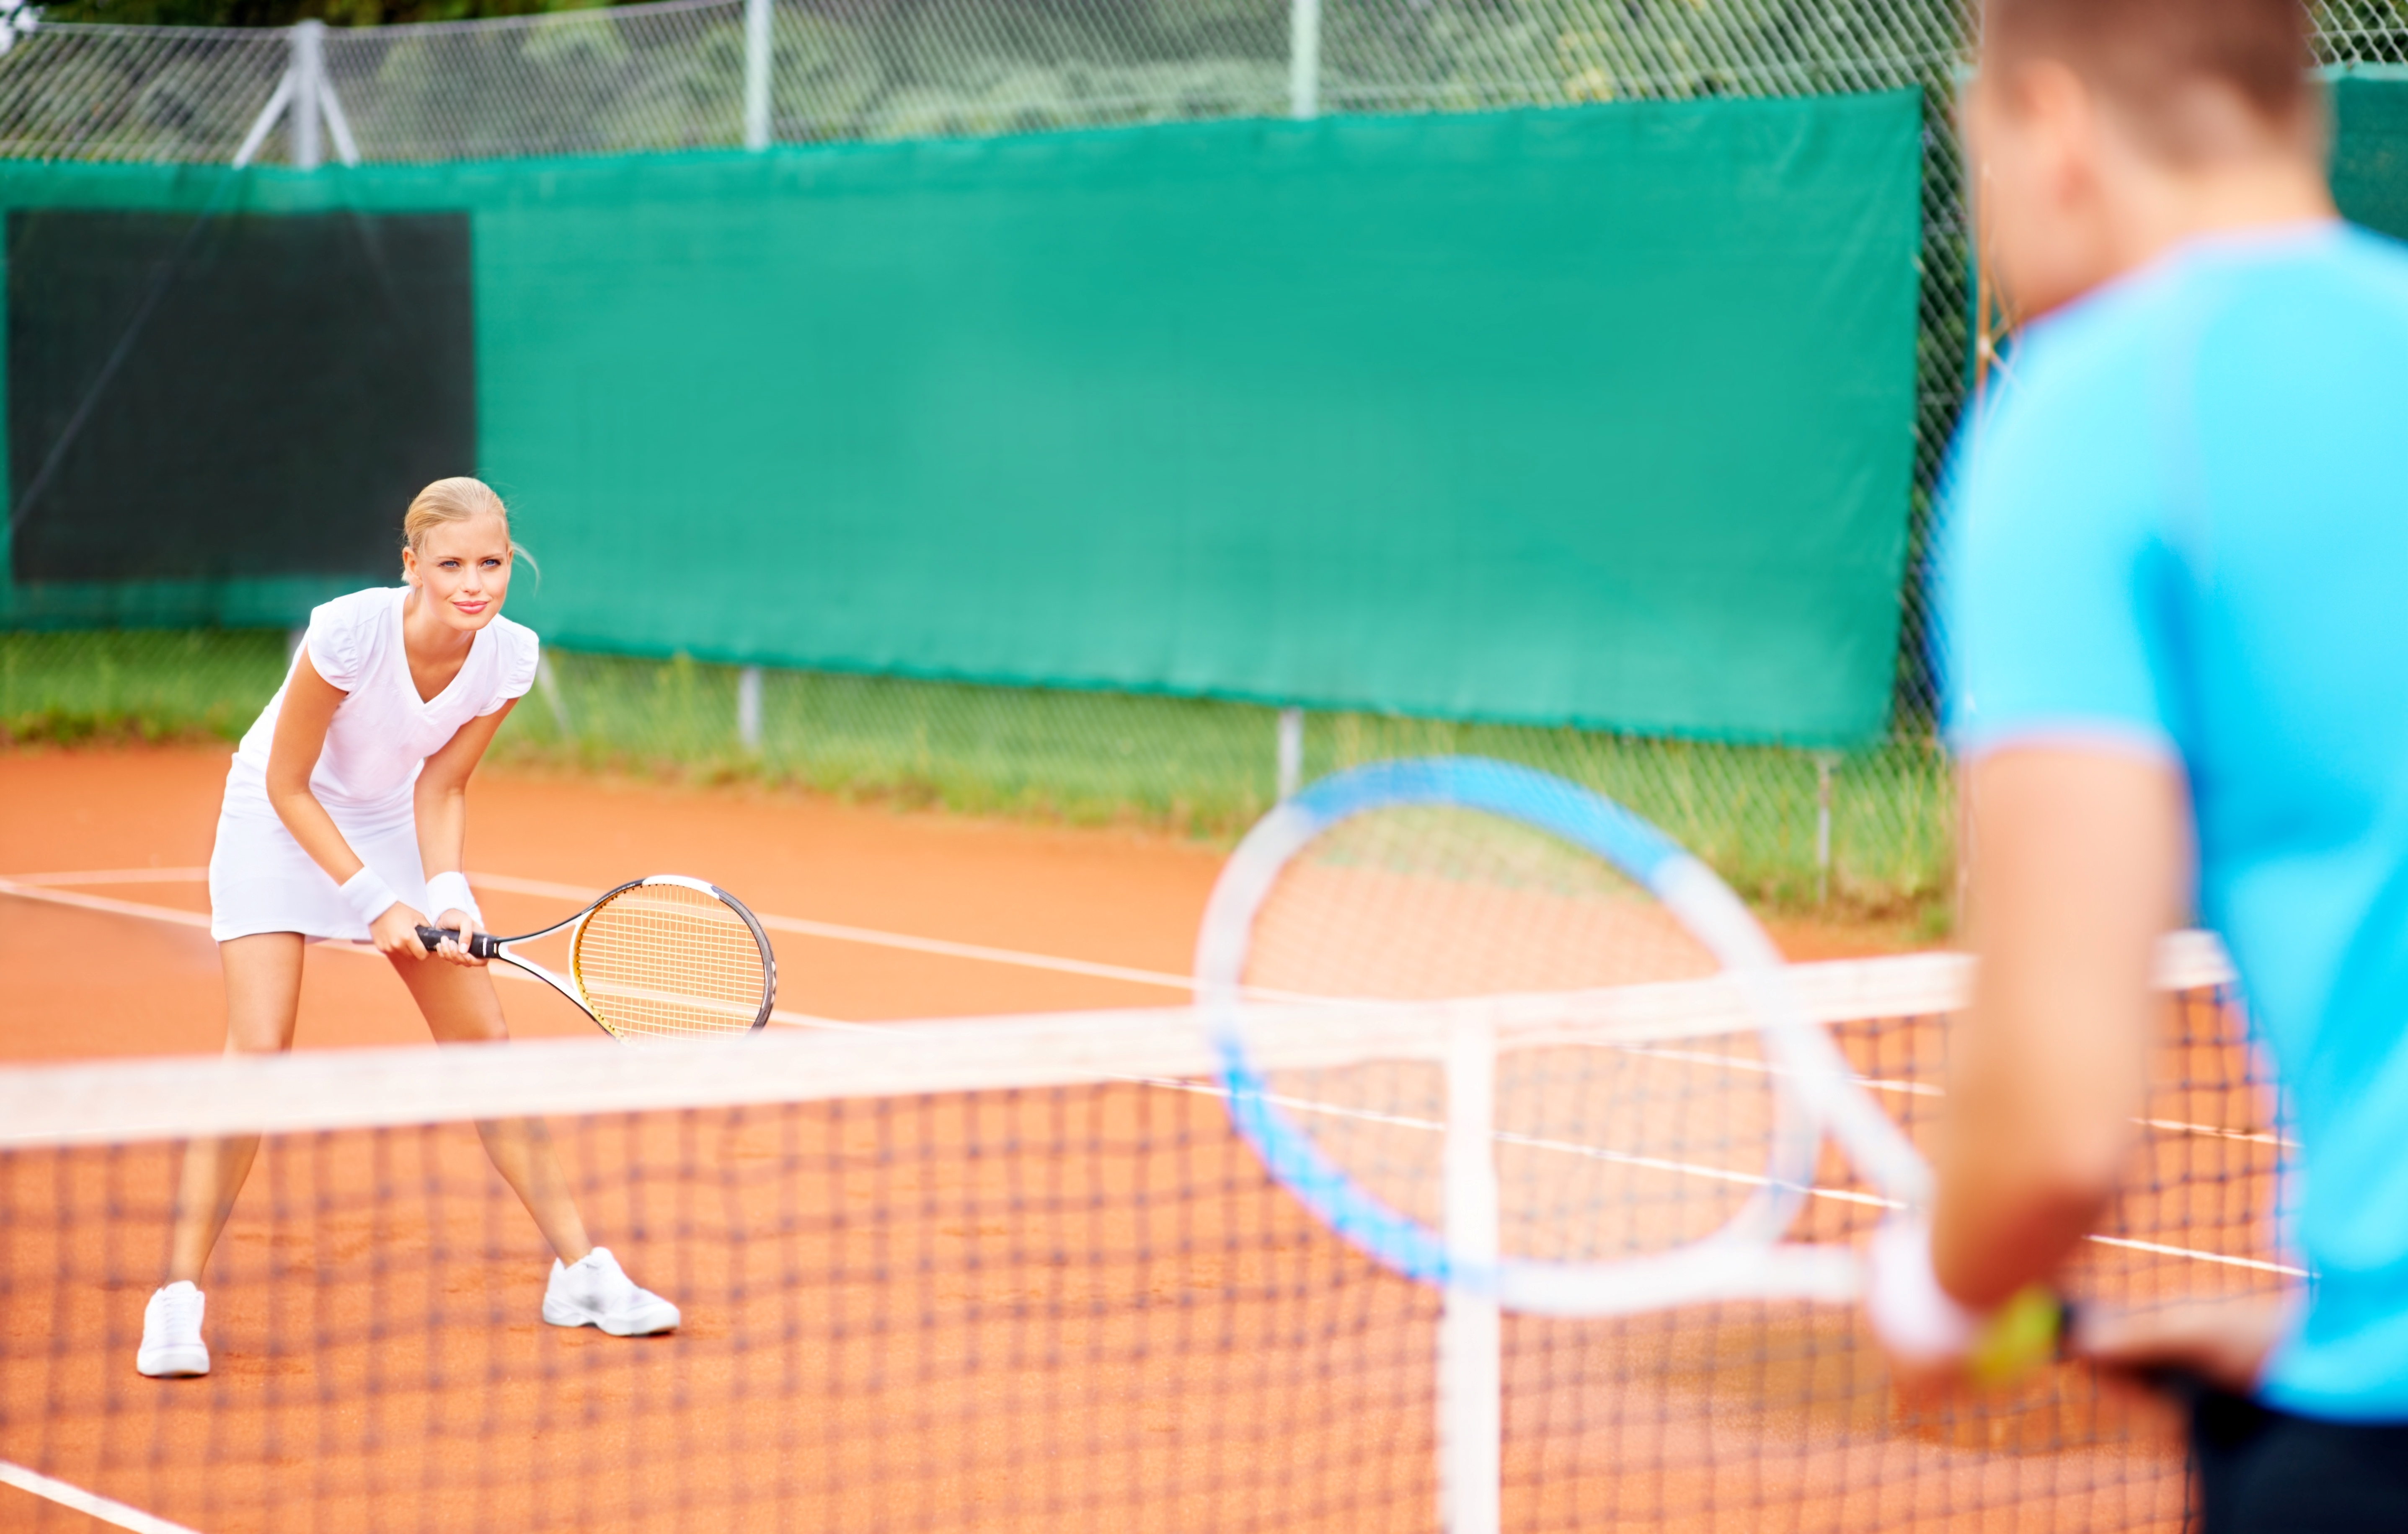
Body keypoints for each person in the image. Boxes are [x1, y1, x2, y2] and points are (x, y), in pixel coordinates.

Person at [1869, 0, 2408, 1525]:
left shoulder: (2094, 422)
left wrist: (1934, 1292)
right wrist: (2329, 1330)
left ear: (2046, 131)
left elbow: (2048, 1127)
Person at [137, 477, 678, 1379]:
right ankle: (177, 1298)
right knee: (259, 1049)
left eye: (492, 563)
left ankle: (581, 1272)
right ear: (412, 566)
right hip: (279, 819)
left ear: (513, 560)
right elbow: (287, 782)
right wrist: (373, 904)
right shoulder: (349, 630)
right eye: (452, 564)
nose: (475, 583)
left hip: (390, 820)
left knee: (485, 1045)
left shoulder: (510, 656)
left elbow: (442, 786)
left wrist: (448, 892)